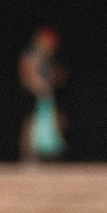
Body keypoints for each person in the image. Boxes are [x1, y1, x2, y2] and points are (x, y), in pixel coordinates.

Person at [18, 24, 67, 163]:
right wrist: (38, 86)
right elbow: (26, 74)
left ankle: (50, 156)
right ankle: (28, 158)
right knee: (30, 125)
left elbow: (56, 76)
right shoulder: (31, 55)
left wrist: (56, 77)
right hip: (32, 95)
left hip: (46, 97)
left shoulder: (48, 58)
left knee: (56, 122)